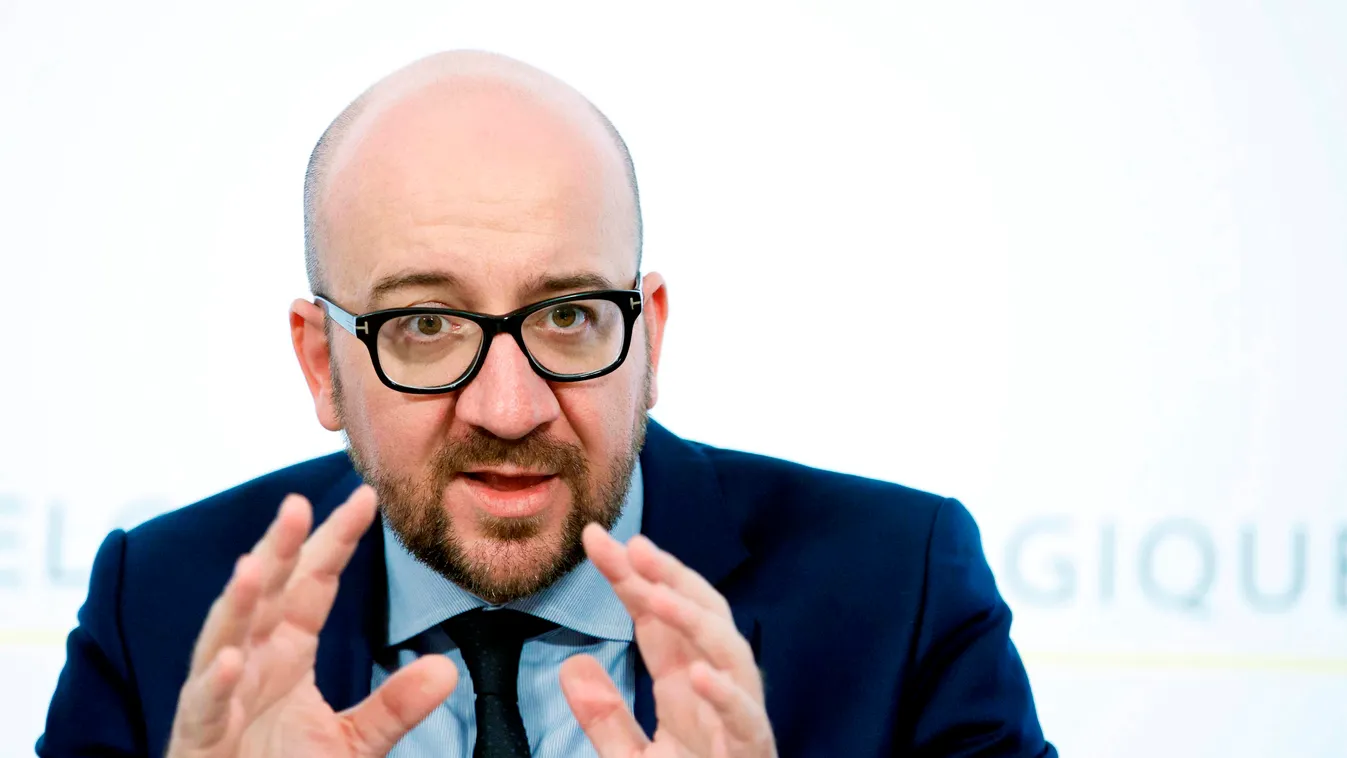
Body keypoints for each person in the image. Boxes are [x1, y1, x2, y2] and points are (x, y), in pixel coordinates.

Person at [37, 50, 1055, 758]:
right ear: (321, 363)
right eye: (424, 325)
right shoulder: (159, 613)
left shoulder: (900, 591)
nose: (511, 405)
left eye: (567, 314)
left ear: (648, 337)